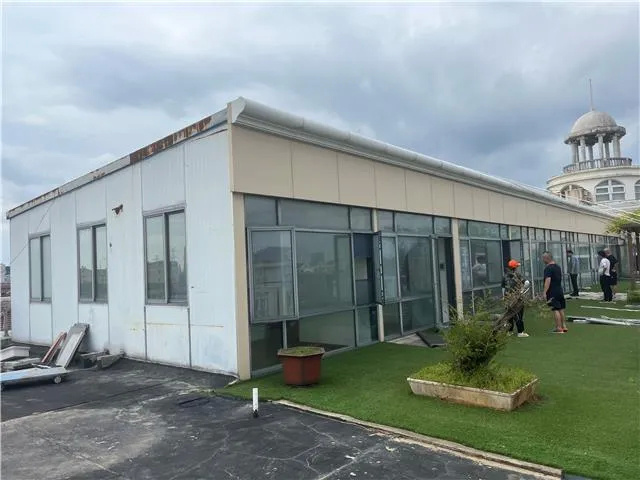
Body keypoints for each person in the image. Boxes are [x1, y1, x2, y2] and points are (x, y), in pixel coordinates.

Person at [501, 260, 529, 337]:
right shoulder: (518, 275)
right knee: (519, 314)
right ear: (515, 267)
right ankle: (520, 332)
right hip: (517, 297)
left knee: (509, 314)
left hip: (508, 298)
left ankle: (509, 331)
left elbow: (503, 287)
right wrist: (522, 290)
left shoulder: (505, 276)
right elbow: (527, 282)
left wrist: (504, 297)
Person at [542, 251, 567, 333]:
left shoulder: (548, 268)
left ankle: (558, 327)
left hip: (552, 291)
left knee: (555, 309)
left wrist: (545, 292)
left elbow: (548, 280)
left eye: (543, 258)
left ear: (546, 258)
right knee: (561, 308)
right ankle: (564, 326)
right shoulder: (557, 267)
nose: (542, 260)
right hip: (559, 290)